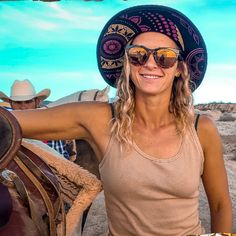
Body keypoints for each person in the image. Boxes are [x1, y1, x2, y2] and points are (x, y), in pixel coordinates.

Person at [12, 5, 232, 235]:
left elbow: (220, 205)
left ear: (179, 68)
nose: (150, 63)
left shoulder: (201, 128)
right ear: (127, 63)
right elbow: (12, 122)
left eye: (165, 57)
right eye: (138, 54)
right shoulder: (100, 119)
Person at [0, 79, 70, 159]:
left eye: (28, 102)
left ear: (37, 102)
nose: (23, 107)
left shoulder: (51, 125)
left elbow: (61, 159)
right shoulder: (4, 127)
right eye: (18, 102)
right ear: (11, 103)